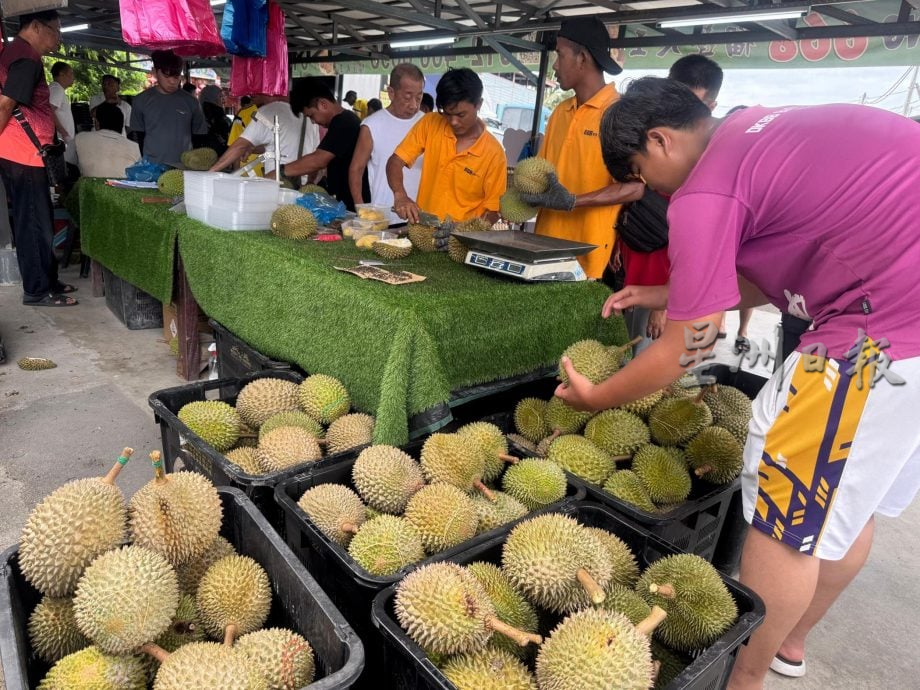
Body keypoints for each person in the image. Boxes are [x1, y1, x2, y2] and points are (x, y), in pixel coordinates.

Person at [559, 76, 920, 689]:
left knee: (784, 523)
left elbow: (688, 347)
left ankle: (742, 678)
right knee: (846, 507)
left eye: (642, 174)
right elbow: (766, 272)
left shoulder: (703, 190)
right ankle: (791, 644)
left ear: (660, 140)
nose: (649, 190)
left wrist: (599, 396)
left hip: (878, 336)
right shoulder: (757, 131)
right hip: (902, 328)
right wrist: (669, 291)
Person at [610, 54, 725, 354]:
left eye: (639, 169)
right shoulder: (671, 168)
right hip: (647, 280)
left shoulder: (713, 184)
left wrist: (665, 303)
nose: (644, 179)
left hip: (670, 288)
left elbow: (716, 281)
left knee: (655, 367)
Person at [518, 17, 644, 279]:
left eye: (560, 55)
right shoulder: (560, 112)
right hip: (543, 250)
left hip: (589, 258)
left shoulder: (618, 115)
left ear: (582, 57)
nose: (554, 64)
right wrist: (525, 193)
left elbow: (635, 187)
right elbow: (543, 174)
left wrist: (575, 201)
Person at [0, 10, 77, 306]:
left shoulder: (20, 54)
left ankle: (49, 280)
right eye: (56, 30)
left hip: (27, 152)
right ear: (35, 26)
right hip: (22, 153)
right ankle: (37, 290)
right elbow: (5, 105)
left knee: (40, 218)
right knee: (33, 223)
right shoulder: (24, 59)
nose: (58, 37)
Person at [387, 68, 506, 225]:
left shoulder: (494, 153)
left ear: (478, 105)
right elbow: (395, 162)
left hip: (461, 243)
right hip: (422, 232)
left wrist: (465, 231)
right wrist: (400, 195)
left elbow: (494, 209)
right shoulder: (431, 123)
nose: (453, 122)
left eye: (461, 115)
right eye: (447, 114)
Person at [348, 63, 424, 226]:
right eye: (407, 97)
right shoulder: (372, 125)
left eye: (419, 97)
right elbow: (356, 169)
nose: (414, 105)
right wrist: (361, 209)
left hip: (422, 220)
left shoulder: (427, 123)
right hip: (384, 219)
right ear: (391, 93)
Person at [284, 83, 366, 210]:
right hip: (346, 200)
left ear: (323, 104)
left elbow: (319, 160)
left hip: (356, 203)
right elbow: (322, 154)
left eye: (311, 115)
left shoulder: (344, 123)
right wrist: (310, 180)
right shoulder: (342, 121)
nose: (313, 121)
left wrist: (281, 171)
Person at [210, 92, 320, 186]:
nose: (251, 93)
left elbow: (240, 146)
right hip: (302, 186)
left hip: (276, 186)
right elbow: (314, 155)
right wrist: (310, 183)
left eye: (257, 88)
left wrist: (210, 173)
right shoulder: (309, 116)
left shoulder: (267, 111)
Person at [129, 50, 207, 166]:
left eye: (176, 76)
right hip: (151, 168)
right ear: (154, 72)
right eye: (166, 75)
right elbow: (138, 137)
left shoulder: (192, 102)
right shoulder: (140, 100)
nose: (172, 81)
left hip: (184, 168)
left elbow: (199, 137)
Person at [74, 102, 140, 178]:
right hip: (122, 189)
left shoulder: (80, 138)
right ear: (122, 126)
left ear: (97, 123)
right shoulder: (135, 147)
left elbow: (70, 162)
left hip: (89, 188)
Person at [48, 61, 76, 167]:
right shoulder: (56, 89)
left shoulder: (56, 89)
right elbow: (50, 110)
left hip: (62, 139)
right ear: (61, 74)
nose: (73, 77)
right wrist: (63, 132)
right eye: (71, 73)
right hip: (61, 140)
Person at [228, 94, 260, 175]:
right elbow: (236, 146)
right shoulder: (244, 114)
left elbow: (235, 146)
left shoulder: (243, 113)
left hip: (252, 169)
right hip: (252, 170)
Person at [198, 84, 230, 155]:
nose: (223, 99)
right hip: (216, 149)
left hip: (205, 150)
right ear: (212, 97)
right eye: (220, 96)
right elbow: (223, 130)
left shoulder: (201, 110)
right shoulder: (215, 111)